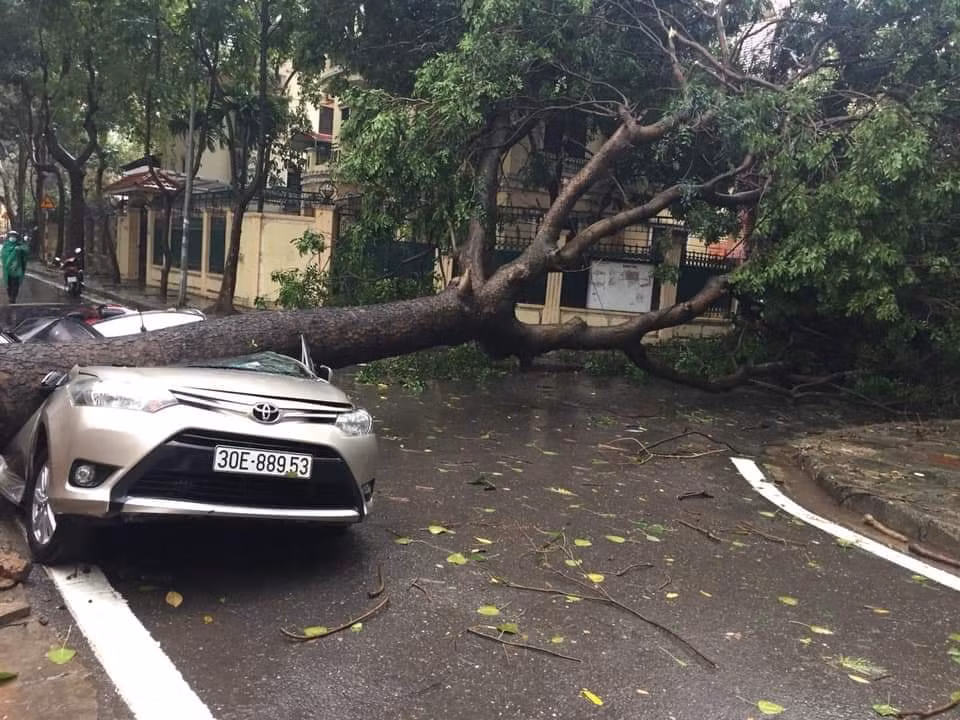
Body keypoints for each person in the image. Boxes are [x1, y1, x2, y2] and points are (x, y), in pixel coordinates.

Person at [1, 230, 28, 304]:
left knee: (15, 285)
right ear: (9, 237)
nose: (13, 238)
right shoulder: (5, 246)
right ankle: (10, 296)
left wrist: (20, 249)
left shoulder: (19, 245)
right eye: (11, 236)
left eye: (14, 237)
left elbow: (26, 251)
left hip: (17, 270)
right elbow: (3, 256)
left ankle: (13, 298)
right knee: (9, 286)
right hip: (8, 270)